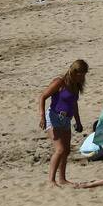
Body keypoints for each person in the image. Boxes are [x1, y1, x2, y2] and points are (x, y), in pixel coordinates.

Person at [39, 59, 87, 187]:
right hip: (54, 117)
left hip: (66, 120)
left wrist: (78, 121)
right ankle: (51, 180)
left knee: (66, 151)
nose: (83, 77)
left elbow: (74, 104)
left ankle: (62, 179)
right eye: (81, 74)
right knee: (60, 150)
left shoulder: (76, 85)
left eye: (84, 74)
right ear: (74, 72)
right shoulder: (60, 82)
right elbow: (43, 97)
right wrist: (42, 117)